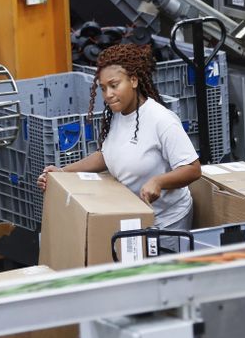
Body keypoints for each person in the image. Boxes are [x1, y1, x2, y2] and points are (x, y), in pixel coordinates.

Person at [37, 43, 202, 241]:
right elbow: (106, 156)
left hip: (166, 223)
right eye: (103, 88)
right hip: (133, 219)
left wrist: (158, 181)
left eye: (114, 86)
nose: (108, 95)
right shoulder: (118, 115)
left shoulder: (162, 120)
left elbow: (193, 169)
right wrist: (63, 173)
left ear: (133, 80)